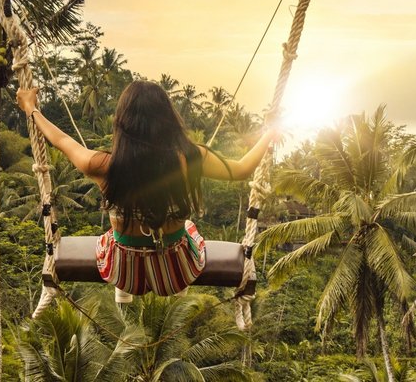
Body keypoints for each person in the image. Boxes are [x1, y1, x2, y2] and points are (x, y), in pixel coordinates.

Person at [17, 80, 278, 302]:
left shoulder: (104, 165)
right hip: (177, 273)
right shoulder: (191, 156)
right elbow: (242, 169)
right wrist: (268, 134)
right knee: (187, 229)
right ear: (168, 120)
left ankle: (125, 293)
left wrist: (31, 108)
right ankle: (176, 287)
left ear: (122, 123)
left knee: (112, 236)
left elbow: (62, 140)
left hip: (123, 273)